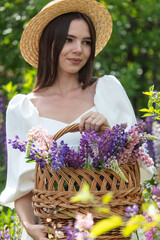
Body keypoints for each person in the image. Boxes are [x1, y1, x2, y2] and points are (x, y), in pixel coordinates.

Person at [0, 0, 154, 239]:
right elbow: (21, 186)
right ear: (48, 42)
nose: (78, 50)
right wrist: (30, 227)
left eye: (86, 42)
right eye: (68, 39)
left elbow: (137, 164)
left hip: (110, 227)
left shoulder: (107, 90)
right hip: (53, 230)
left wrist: (109, 132)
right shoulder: (22, 108)